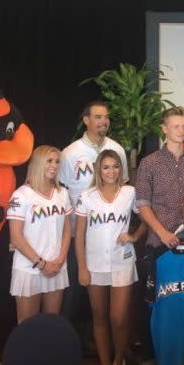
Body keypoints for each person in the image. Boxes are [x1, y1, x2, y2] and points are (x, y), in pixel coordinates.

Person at [136, 106, 184, 363]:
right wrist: (163, 233)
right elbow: (142, 204)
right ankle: (154, 355)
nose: (181, 131)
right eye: (176, 126)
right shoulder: (149, 163)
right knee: (156, 303)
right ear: (164, 129)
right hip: (159, 244)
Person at [59, 101, 128, 335]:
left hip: (109, 236)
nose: (103, 121)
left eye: (106, 117)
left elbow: (124, 187)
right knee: (74, 293)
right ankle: (68, 344)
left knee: (108, 300)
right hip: (79, 234)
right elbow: (59, 189)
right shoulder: (70, 153)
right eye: (98, 116)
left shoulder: (117, 150)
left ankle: (112, 347)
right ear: (86, 120)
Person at [75, 149, 146, 365]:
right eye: (106, 167)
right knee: (99, 318)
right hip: (94, 264)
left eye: (115, 166)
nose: (111, 171)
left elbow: (146, 220)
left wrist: (134, 236)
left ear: (120, 169)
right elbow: (79, 236)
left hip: (121, 262)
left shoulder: (130, 193)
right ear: (98, 169)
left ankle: (118, 359)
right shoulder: (86, 197)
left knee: (119, 318)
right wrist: (82, 268)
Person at [7, 145, 72, 323]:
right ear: (37, 163)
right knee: (28, 327)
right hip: (30, 269)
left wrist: (60, 259)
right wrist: (41, 263)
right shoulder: (21, 196)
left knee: (51, 324)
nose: (54, 165)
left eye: (57, 161)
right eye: (49, 161)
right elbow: (16, 237)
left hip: (56, 266)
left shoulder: (62, 193)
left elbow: (67, 229)